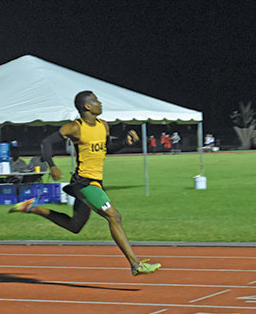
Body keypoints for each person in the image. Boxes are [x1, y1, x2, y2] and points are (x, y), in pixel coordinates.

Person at [8, 91, 160, 276]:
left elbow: (107, 148)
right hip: (84, 182)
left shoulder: (103, 125)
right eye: (96, 100)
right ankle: (135, 264)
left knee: (75, 226)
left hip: (95, 182)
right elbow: (46, 142)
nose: (100, 103)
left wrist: (124, 143)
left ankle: (34, 208)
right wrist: (52, 165)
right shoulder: (75, 128)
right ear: (87, 106)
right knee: (114, 217)